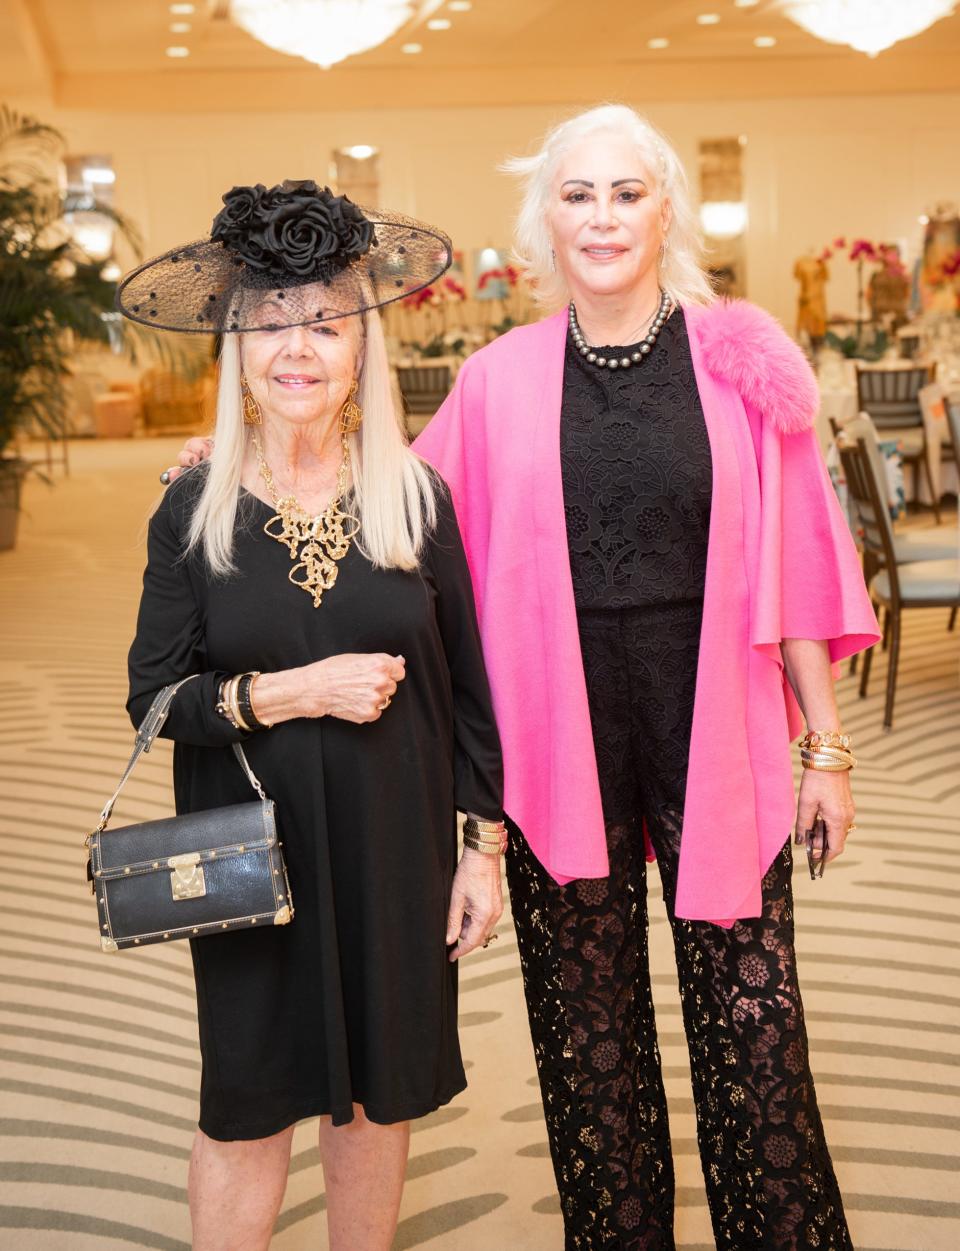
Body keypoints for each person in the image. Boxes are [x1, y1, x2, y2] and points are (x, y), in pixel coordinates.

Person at [171, 107, 881, 1249]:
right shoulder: (499, 380)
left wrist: (827, 749)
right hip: (557, 744)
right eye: (577, 195)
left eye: (625, 193)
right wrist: (242, 443)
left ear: (665, 211)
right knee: (590, 1049)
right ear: (543, 221)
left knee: (756, 1036)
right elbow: (387, 490)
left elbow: (801, 563)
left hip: (719, 732)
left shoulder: (742, 356)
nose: (601, 218)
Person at [124, 179, 505, 1251]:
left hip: (398, 842)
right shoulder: (190, 507)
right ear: (237, 349)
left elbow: (471, 690)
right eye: (272, 324)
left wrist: (479, 852)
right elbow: (152, 700)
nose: (300, 348)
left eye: (326, 324)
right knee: (246, 1102)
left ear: (361, 351)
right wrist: (295, 693)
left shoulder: (414, 499)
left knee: (379, 1096)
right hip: (253, 858)